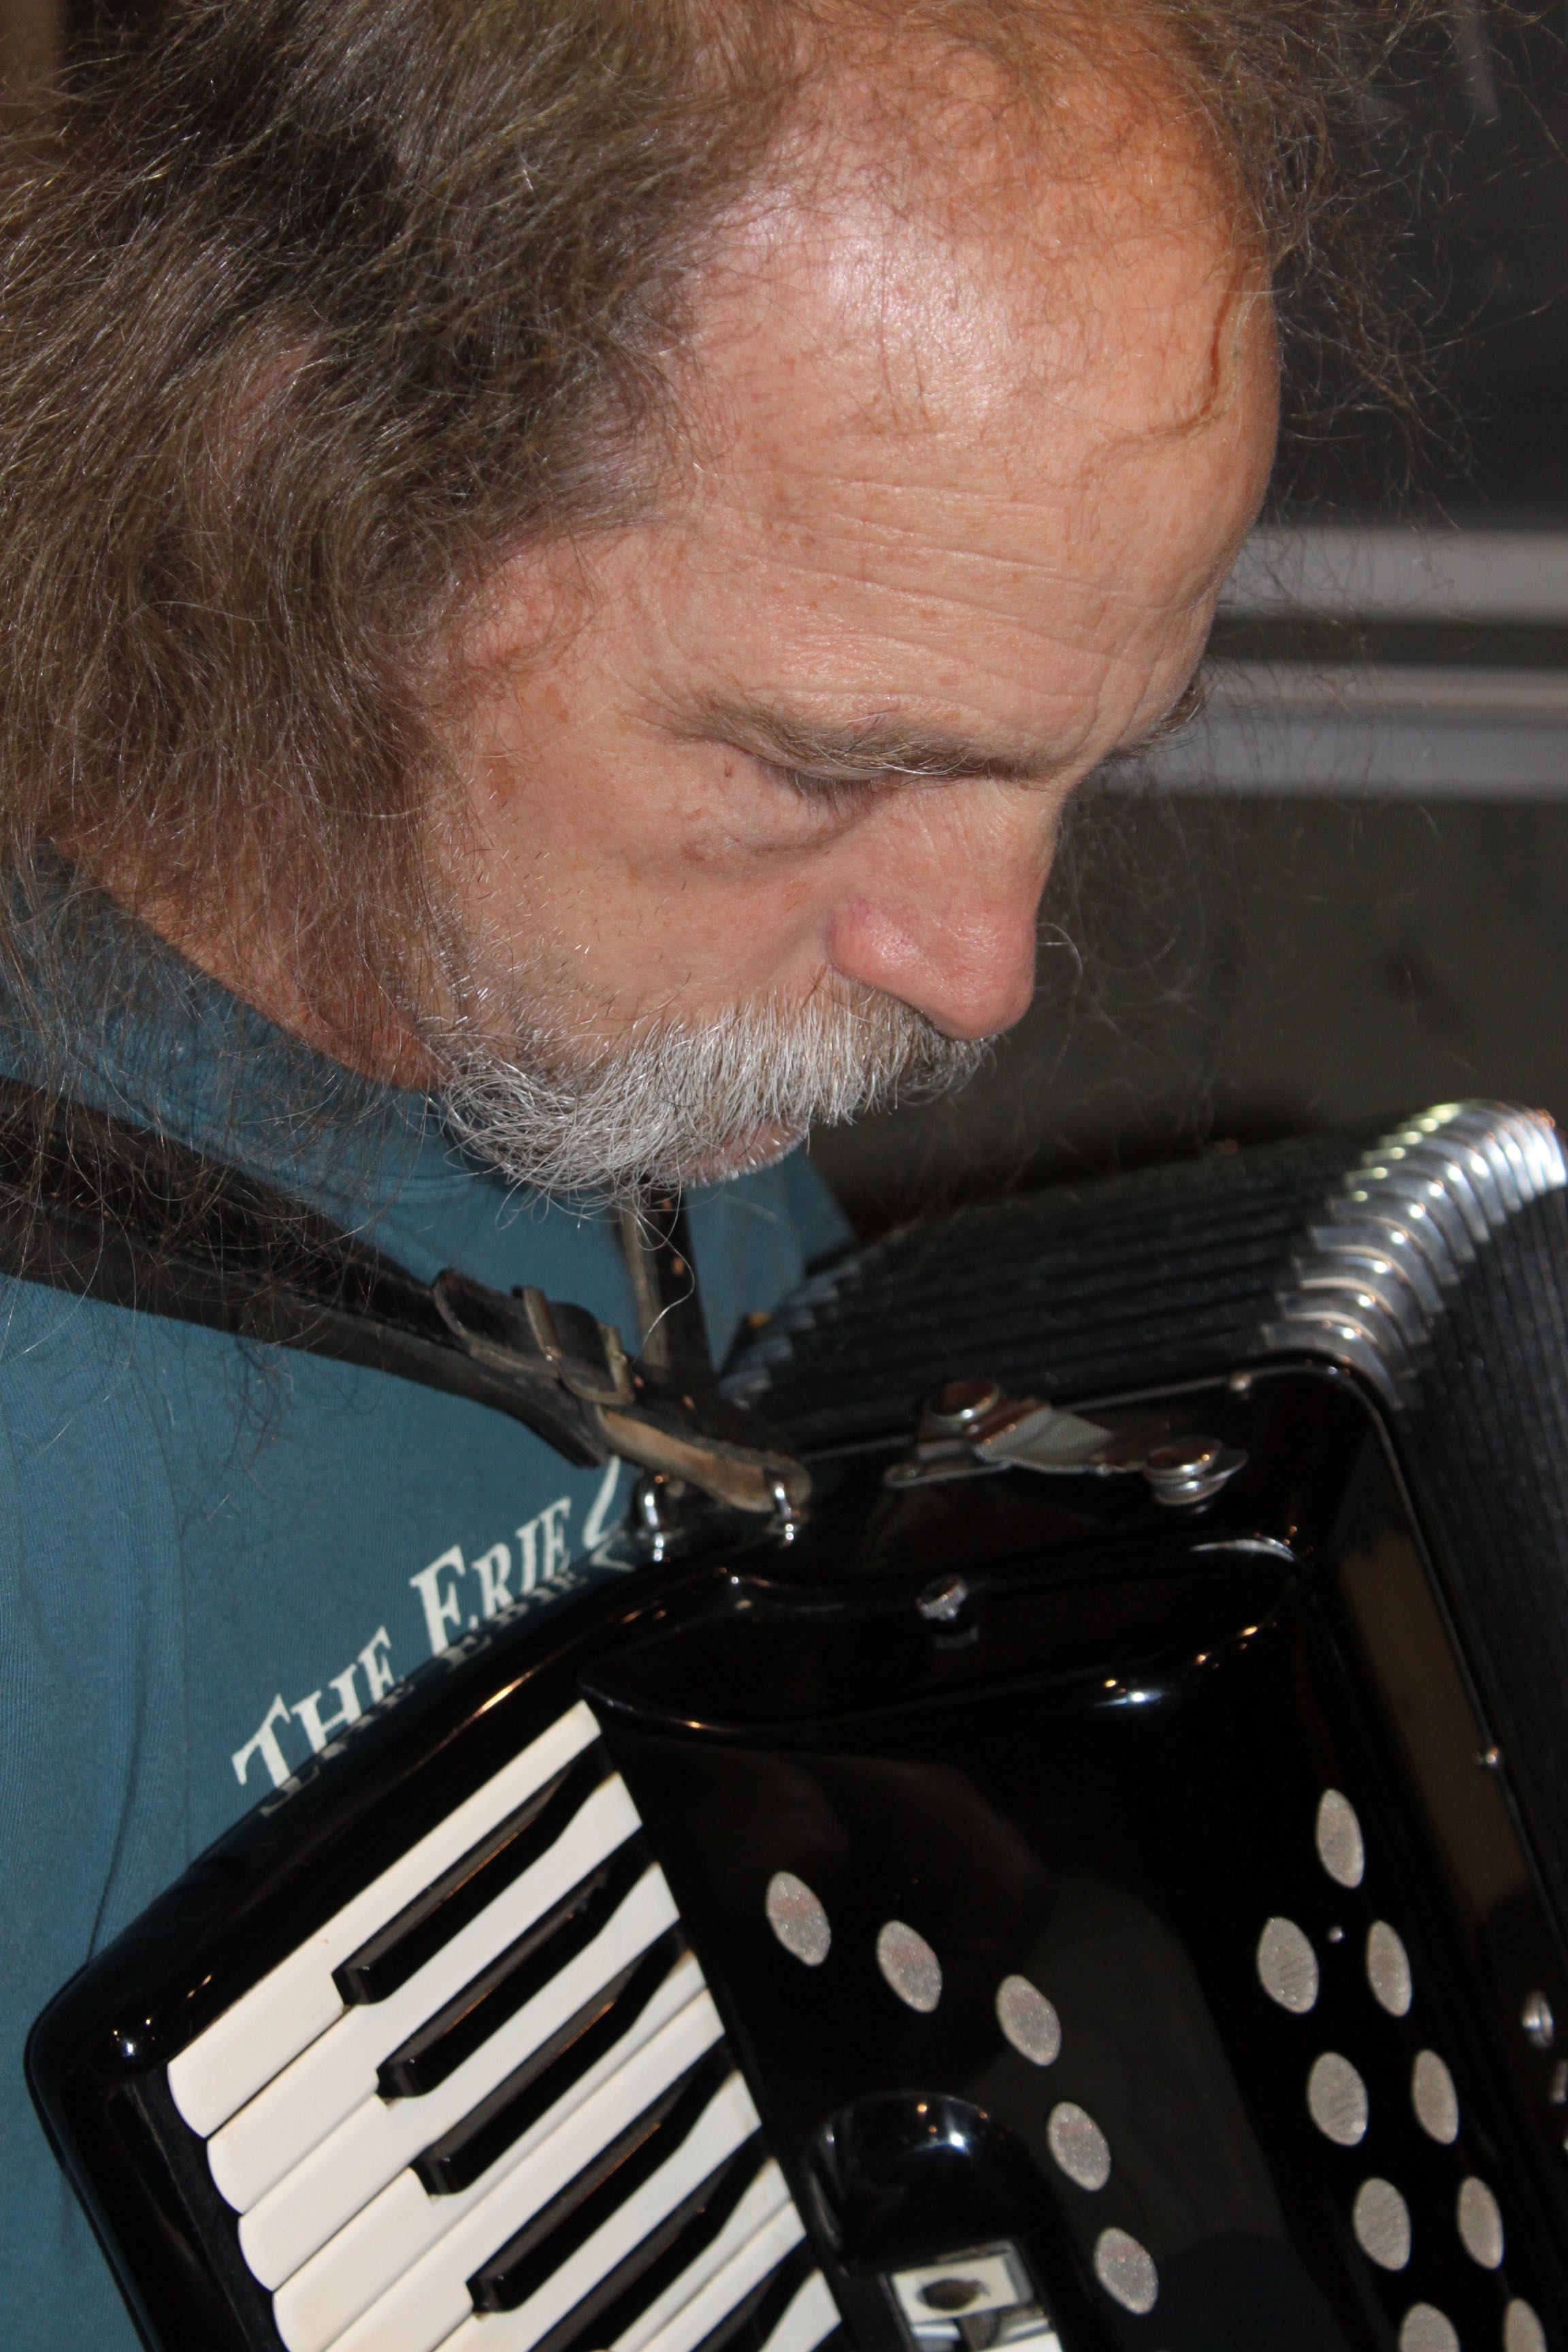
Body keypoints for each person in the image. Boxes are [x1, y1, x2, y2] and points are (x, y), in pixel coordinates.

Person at [0, 0, 1418, 2341]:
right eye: (819, 766)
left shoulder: (629, 1032)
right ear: (310, 498)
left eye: (1079, 766)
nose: (986, 978)